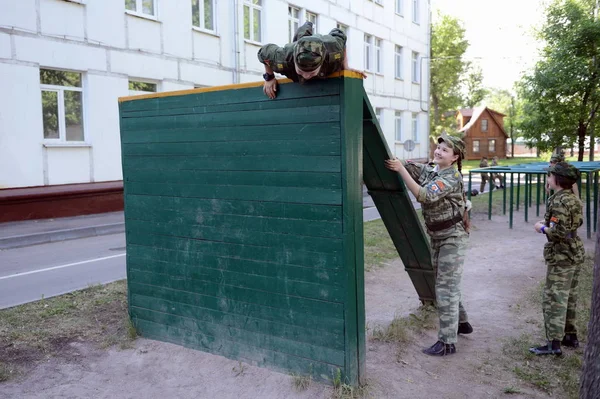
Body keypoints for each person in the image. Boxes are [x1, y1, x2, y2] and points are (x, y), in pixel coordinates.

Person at [385, 135, 473, 356]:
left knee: (445, 286)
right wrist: (402, 163)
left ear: (454, 158)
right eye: (438, 147)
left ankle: (447, 343)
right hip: (438, 235)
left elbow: (423, 195)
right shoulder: (434, 171)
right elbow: (417, 169)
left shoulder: (451, 177)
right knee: (445, 282)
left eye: (445, 150)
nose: (438, 151)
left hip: (453, 236)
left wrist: (401, 170)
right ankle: (462, 323)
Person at [531, 162, 585, 356]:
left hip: (562, 254)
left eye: (549, 176)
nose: (547, 179)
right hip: (574, 251)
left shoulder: (558, 201)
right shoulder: (573, 198)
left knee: (555, 298)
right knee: (569, 296)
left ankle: (554, 343)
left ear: (557, 180)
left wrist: (542, 228)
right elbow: (573, 223)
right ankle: (570, 335)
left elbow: (558, 232)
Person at [257, 22, 365, 99]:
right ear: (294, 62)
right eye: (300, 71)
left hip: (322, 43)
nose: (306, 76)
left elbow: (341, 36)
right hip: (297, 46)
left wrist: (345, 66)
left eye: (312, 72)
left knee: (319, 38)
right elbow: (263, 52)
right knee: (301, 35)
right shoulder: (283, 58)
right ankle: (306, 26)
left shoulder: (333, 51)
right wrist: (269, 77)